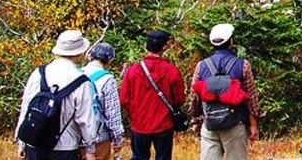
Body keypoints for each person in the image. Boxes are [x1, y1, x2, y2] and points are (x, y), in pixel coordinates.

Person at [16, 29, 101, 160]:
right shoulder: (81, 81)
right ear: (80, 53)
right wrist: (90, 149)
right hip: (65, 148)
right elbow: (86, 120)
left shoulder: (38, 73)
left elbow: (26, 109)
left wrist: (22, 142)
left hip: (35, 144)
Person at [190, 23, 261, 160]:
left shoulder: (201, 66)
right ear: (231, 41)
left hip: (209, 122)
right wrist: (253, 124)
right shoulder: (243, 65)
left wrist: (195, 120)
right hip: (235, 123)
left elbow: (195, 97)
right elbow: (251, 99)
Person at [121, 30, 187, 160]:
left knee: (139, 157)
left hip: (139, 124)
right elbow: (179, 99)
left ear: (146, 45)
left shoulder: (132, 71)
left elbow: (124, 99)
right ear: (164, 47)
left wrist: (134, 112)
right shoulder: (171, 71)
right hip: (164, 124)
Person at [84, 42, 125, 160]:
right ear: (110, 60)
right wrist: (117, 140)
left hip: (74, 138)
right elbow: (112, 114)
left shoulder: (76, 74)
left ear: (90, 56)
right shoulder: (107, 79)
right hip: (98, 138)